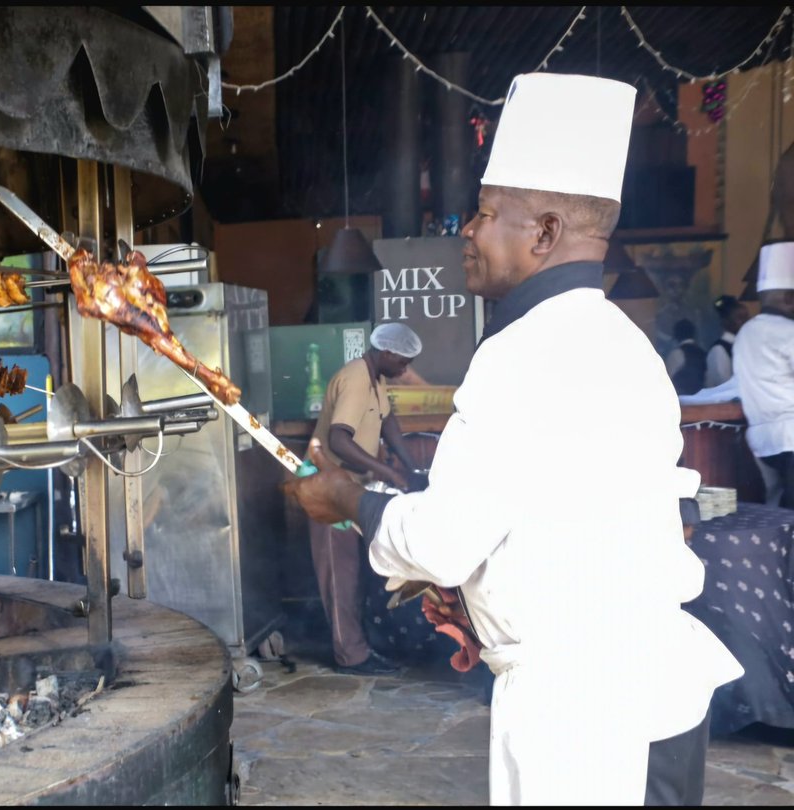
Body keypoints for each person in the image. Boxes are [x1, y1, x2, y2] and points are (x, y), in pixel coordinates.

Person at [284, 72, 742, 806]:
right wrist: (483, 605)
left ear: (546, 232)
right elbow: (582, 520)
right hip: (657, 694)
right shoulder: (627, 347)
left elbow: (440, 538)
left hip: (582, 717)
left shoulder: (520, 354)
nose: (467, 229)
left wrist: (348, 498)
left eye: (486, 213)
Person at [306, 322, 427, 676]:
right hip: (327, 490)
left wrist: (410, 467)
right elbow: (339, 440)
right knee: (339, 574)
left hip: (350, 488)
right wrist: (389, 473)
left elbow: (388, 424)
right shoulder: (357, 378)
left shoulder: (376, 379)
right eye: (403, 363)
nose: (405, 371)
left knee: (356, 571)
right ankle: (351, 657)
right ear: (387, 353)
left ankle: (360, 648)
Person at [733, 241, 794, 508]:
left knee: (781, 510)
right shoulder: (788, 333)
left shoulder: (745, 333)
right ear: (790, 299)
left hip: (763, 443)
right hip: (791, 436)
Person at [704, 295, 751, 388]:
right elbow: (724, 386)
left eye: (747, 317)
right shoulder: (719, 350)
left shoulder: (746, 346)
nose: (746, 321)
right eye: (740, 318)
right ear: (725, 322)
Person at [664, 318, 707, 395]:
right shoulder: (704, 354)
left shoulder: (676, 354)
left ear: (676, 335)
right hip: (703, 399)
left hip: (683, 401)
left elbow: (667, 380)